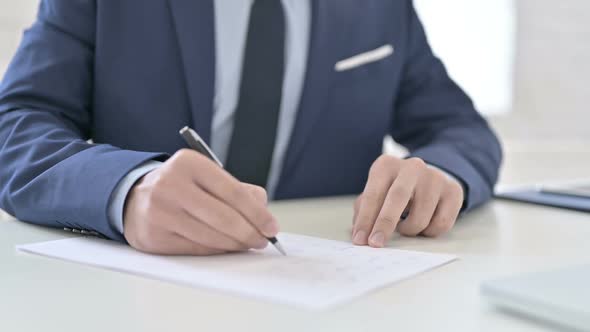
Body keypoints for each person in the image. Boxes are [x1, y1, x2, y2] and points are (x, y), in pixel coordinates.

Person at [0, 0, 502, 255]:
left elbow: (460, 129)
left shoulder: (381, 7)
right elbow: (15, 124)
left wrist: (442, 175)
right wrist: (127, 190)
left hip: (334, 298)